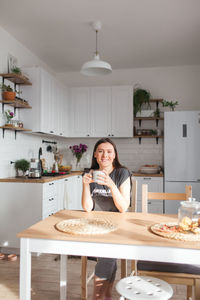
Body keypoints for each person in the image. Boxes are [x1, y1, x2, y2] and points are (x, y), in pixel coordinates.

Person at [82, 138, 131, 300]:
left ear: (115, 155)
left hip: (119, 224)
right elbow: (87, 208)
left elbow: (123, 207)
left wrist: (111, 185)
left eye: (109, 151)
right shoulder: (90, 174)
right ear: (95, 155)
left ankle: (98, 296)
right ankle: (106, 295)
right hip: (97, 225)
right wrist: (84, 185)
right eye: (101, 151)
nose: (105, 155)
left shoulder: (122, 173)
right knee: (108, 249)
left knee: (107, 248)